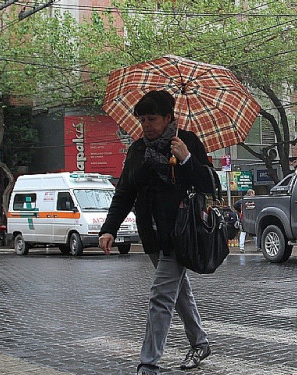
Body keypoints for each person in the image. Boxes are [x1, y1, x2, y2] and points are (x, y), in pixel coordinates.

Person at [99, 90, 214, 374]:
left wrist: (187, 160)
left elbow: (211, 185)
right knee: (179, 292)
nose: (146, 125)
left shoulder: (187, 143)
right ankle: (200, 341)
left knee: (161, 296)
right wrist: (109, 228)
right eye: (142, 120)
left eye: (152, 119)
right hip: (151, 234)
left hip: (181, 233)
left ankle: (148, 364)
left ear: (168, 118)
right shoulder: (137, 150)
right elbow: (125, 191)